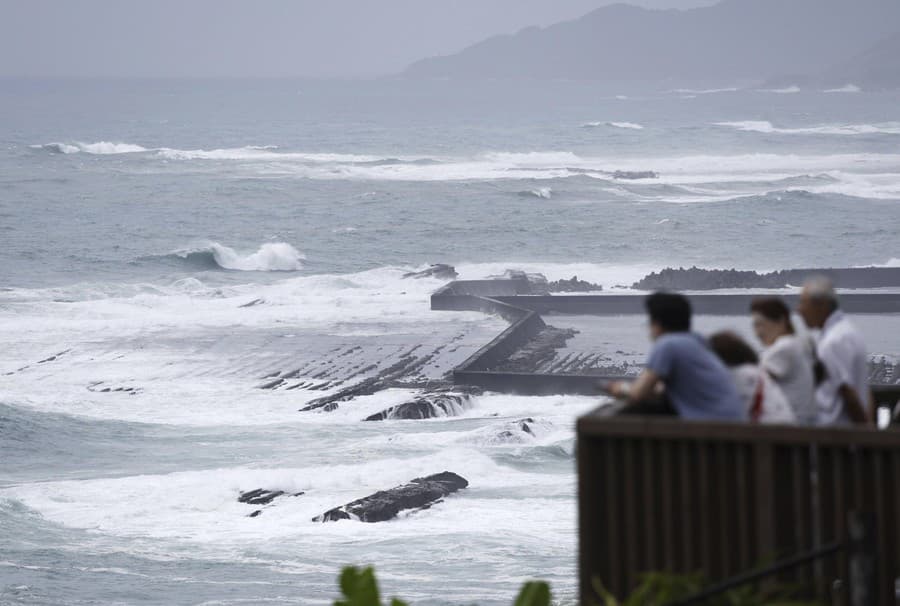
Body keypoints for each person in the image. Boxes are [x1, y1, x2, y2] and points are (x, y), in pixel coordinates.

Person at [606, 292, 745, 420]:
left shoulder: (668, 344)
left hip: (710, 431)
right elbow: (663, 390)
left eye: (650, 323)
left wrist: (620, 388)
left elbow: (638, 393)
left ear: (658, 324)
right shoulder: (697, 341)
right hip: (733, 426)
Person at [797, 276, 872, 425]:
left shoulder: (833, 342)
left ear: (822, 305)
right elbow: (864, 391)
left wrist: (867, 432)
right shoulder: (849, 331)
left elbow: (848, 394)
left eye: (803, 303)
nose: (799, 310)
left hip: (836, 439)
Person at [750, 297, 816, 424]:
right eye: (754, 326)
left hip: (786, 429)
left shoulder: (783, 348)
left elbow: (756, 386)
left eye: (760, 324)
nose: (757, 333)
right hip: (804, 426)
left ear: (781, 321)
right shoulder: (800, 343)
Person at [709, 331, 796, 424]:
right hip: (784, 427)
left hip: (771, 431)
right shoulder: (757, 373)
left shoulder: (742, 375)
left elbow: (735, 412)